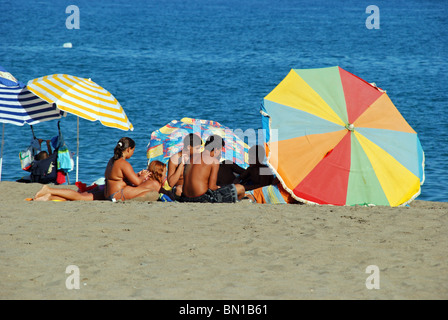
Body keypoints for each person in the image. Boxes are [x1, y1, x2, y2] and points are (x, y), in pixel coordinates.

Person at [33, 159, 166, 201]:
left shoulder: (114, 162)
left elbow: (132, 183)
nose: (165, 175)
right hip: (114, 191)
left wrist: (139, 175)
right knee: (81, 197)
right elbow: (167, 193)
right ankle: (49, 189)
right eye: (164, 172)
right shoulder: (154, 183)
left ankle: (50, 196)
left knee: (81, 197)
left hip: (109, 188)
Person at [180, 135, 245, 203]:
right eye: (220, 150)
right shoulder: (213, 161)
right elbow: (212, 187)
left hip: (184, 197)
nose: (220, 153)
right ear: (216, 149)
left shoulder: (191, 157)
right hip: (201, 198)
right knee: (240, 188)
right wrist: (219, 187)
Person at [167, 133, 203, 199]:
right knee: (179, 190)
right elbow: (171, 183)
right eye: (197, 148)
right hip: (180, 189)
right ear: (189, 147)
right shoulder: (175, 159)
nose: (199, 151)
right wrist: (182, 164)